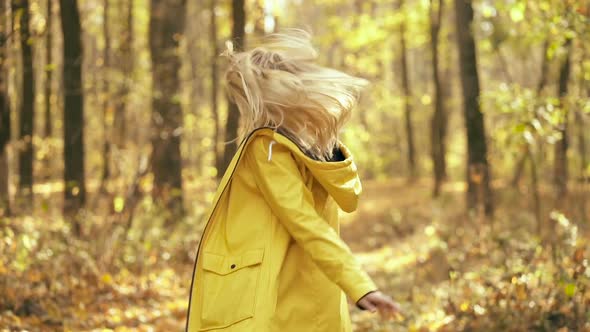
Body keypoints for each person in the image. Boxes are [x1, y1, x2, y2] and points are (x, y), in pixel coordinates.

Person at [186, 28, 401, 332]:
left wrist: (360, 286)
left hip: (276, 298)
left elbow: (306, 223)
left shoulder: (269, 149)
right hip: (311, 298)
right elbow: (348, 199)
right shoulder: (310, 149)